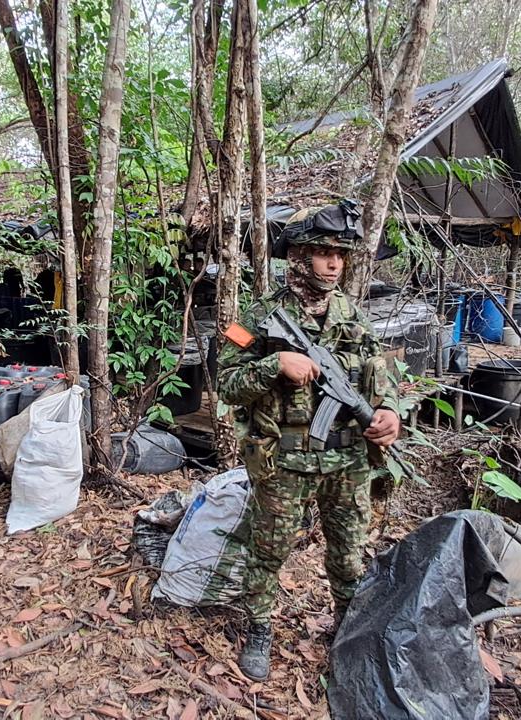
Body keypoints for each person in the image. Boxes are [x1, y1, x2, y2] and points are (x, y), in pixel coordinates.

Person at [216, 203, 402, 681]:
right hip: (285, 460)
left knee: (349, 553)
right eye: (323, 253)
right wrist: (273, 365)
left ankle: (348, 627)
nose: (334, 264)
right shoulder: (255, 317)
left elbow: (381, 378)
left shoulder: (353, 316)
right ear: (298, 257)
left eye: (340, 255)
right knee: (269, 550)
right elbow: (225, 383)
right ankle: (259, 628)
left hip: (348, 460)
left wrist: (389, 412)